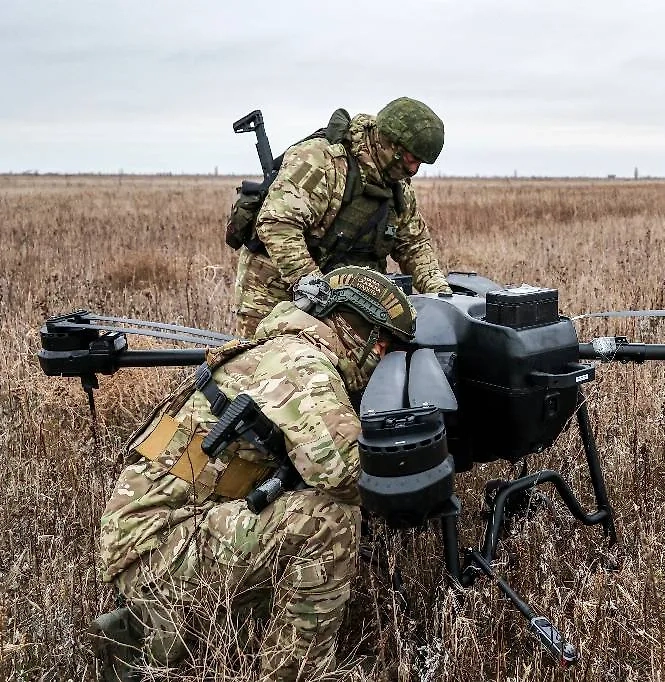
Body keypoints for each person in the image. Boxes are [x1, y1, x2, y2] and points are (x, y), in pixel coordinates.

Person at [89, 267, 416, 682]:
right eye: (387, 351)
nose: (383, 364)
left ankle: (174, 629)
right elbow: (348, 476)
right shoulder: (303, 364)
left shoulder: (282, 346)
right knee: (327, 520)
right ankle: (294, 673)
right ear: (368, 340)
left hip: (162, 531)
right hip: (154, 548)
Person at [232, 97, 452, 337]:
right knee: (264, 357)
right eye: (411, 159)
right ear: (389, 143)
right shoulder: (322, 161)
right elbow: (278, 223)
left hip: (337, 297)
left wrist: (439, 292)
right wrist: (310, 284)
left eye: (420, 163)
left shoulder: (398, 186)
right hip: (274, 287)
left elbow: (414, 245)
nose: (413, 170)